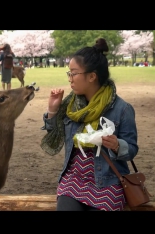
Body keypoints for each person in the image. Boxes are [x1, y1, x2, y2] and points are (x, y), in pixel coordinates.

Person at [40, 38, 139, 211]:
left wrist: (117, 145)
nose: (70, 79)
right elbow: (53, 135)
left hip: (108, 183)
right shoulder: (71, 105)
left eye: (73, 73)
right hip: (73, 180)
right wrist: (53, 110)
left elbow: (131, 150)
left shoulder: (122, 109)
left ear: (92, 76)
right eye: (68, 73)